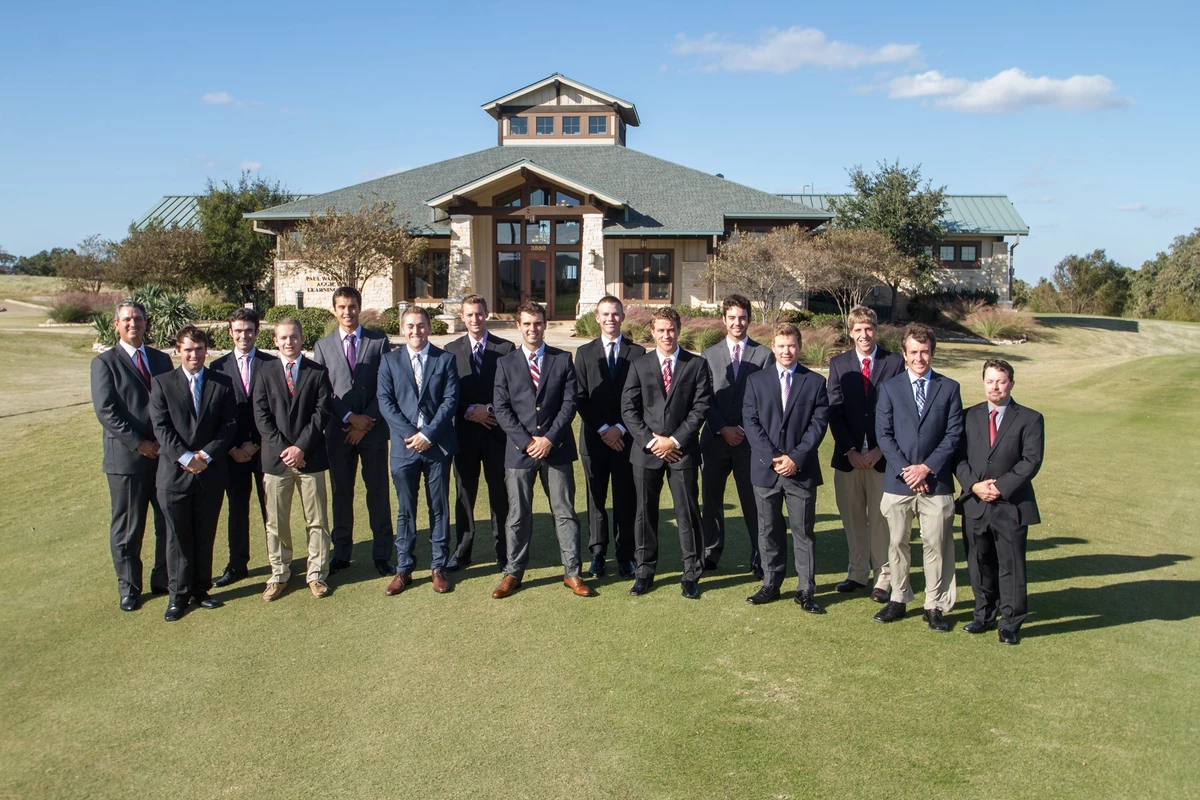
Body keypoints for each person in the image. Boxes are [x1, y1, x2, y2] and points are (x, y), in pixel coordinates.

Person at [491, 301, 595, 599]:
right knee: (518, 515)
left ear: (544, 324)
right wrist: (527, 442)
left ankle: (573, 573)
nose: (532, 328)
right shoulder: (505, 364)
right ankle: (513, 572)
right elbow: (501, 407)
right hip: (519, 451)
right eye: (526, 323)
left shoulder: (562, 359)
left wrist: (549, 439)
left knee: (565, 514)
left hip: (556, 449)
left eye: (537, 323)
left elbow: (569, 403)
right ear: (518, 326)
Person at [873, 323, 964, 631]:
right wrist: (908, 471)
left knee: (936, 543)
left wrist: (927, 467)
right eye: (914, 352)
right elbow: (883, 435)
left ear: (933, 353)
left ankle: (934, 604)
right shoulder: (889, 388)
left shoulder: (949, 388)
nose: (920, 358)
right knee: (897, 542)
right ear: (904, 354)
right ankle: (898, 597)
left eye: (925, 352)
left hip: (935, 482)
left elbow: (953, 434)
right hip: (899, 482)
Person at [621, 306, 712, 599]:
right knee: (644, 514)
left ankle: (691, 574)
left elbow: (701, 407)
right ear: (652, 331)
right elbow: (629, 409)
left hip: (681, 452)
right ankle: (645, 571)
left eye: (671, 329)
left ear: (679, 330)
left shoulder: (696, 365)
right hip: (646, 453)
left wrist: (674, 440)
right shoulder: (640, 365)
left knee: (687, 513)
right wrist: (652, 441)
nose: (666, 335)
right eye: (660, 330)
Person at [149, 326, 237, 622]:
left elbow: (229, 425)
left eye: (199, 349)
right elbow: (161, 427)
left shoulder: (221, 383)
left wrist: (205, 455)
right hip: (174, 476)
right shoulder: (162, 383)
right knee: (178, 539)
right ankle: (178, 596)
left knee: (204, 534)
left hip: (209, 473)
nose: (194, 355)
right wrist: (187, 457)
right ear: (178, 351)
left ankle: (201, 590)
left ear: (206, 351)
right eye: (188, 349)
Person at [90, 300, 173, 612]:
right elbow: (107, 411)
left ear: (145, 322)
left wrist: (163, 441)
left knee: (167, 519)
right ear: (116, 325)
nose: (133, 324)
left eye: (138, 318)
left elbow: (171, 402)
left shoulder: (161, 360)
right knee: (128, 527)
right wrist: (140, 443)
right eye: (126, 319)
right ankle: (129, 587)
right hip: (127, 459)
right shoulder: (104, 363)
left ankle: (163, 576)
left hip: (162, 455)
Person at [955, 359, 1044, 645]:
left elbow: (1031, 460)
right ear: (983, 383)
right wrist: (974, 486)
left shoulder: (1030, 418)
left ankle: (1011, 622)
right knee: (979, 563)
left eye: (1001, 381)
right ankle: (983, 613)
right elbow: (958, 458)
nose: (995, 387)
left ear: (1011, 384)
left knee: (1011, 565)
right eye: (990, 381)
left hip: (1010, 506)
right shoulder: (968, 416)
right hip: (975, 503)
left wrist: (1000, 487)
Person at [741, 323, 829, 612]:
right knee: (768, 529)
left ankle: (806, 589)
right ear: (773, 347)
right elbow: (751, 423)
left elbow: (818, 425)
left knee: (803, 531)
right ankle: (771, 582)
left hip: (800, 470)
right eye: (780, 345)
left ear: (799, 347)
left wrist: (795, 458)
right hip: (766, 470)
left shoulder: (814, 382)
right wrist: (774, 457)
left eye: (791, 345)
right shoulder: (756, 380)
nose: (786, 350)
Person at [311, 286, 395, 577]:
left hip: (371, 432)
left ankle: (383, 553)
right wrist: (349, 417)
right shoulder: (322, 347)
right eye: (342, 307)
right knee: (341, 493)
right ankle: (342, 552)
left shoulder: (378, 342)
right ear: (334, 310)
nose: (347, 312)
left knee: (378, 493)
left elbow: (385, 386)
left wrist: (366, 421)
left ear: (360, 307)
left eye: (352, 306)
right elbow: (322, 391)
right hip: (339, 432)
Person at [376, 307, 459, 596]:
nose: (416, 331)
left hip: (437, 446)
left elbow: (450, 401)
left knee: (438, 507)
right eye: (410, 326)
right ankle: (404, 568)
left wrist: (429, 435)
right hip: (404, 448)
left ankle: (438, 566)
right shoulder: (389, 361)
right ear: (402, 328)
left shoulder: (445, 359)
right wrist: (413, 435)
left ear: (429, 327)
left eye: (421, 325)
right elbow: (385, 403)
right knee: (405, 510)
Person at [825, 306, 905, 602]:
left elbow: (899, 410)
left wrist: (878, 449)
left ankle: (883, 576)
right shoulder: (839, 363)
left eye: (868, 328)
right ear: (850, 332)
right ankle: (857, 572)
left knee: (882, 519)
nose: (863, 335)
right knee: (853, 516)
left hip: (882, 458)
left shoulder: (894, 363)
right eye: (857, 330)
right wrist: (850, 450)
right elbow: (834, 410)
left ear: (876, 330)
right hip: (848, 459)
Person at [252, 318, 334, 601]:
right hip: (276, 461)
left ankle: (317, 574)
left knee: (318, 520)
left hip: (310, 458)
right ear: (275, 341)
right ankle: (279, 573)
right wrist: (284, 450)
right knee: (276, 521)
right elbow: (261, 417)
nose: (289, 342)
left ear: (302, 339)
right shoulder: (263, 372)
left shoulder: (317, 372)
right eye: (283, 338)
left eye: (294, 337)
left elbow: (322, 413)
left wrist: (300, 448)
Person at [700, 294, 773, 578]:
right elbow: (704, 398)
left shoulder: (764, 355)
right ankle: (710, 553)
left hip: (749, 443)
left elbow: (765, 401)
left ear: (749, 320)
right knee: (712, 501)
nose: (737, 323)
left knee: (753, 502)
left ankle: (760, 554)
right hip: (715, 440)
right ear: (724, 320)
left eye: (742, 317)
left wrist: (742, 428)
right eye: (732, 318)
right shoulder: (709, 354)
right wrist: (722, 427)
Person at [574, 295, 645, 579]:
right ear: (597, 317)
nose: (610, 319)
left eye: (615, 314)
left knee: (626, 498)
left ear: (622, 316)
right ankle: (598, 553)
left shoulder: (638, 353)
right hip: (595, 439)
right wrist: (604, 429)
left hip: (628, 440)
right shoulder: (584, 353)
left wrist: (622, 429)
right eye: (605, 314)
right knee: (596, 499)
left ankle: (625, 554)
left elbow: (641, 399)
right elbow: (580, 397)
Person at [443, 294, 515, 572]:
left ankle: (504, 551)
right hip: (464, 435)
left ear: (487, 314)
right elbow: (447, 393)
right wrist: (469, 411)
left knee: (500, 493)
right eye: (469, 314)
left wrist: (488, 408)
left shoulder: (505, 348)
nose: (475, 319)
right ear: (462, 317)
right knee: (464, 494)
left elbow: (512, 390)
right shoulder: (450, 350)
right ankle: (462, 552)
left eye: (479, 314)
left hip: (497, 434)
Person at [210, 308, 277, 588]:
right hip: (231, 452)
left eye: (248, 330)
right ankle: (238, 564)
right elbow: (212, 415)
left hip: (265, 450)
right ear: (230, 333)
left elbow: (277, 411)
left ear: (256, 331)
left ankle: (278, 564)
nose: (243, 336)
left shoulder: (271, 364)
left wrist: (258, 442)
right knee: (237, 509)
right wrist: (231, 448)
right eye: (238, 331)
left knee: (271, 510)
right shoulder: (216, 368)